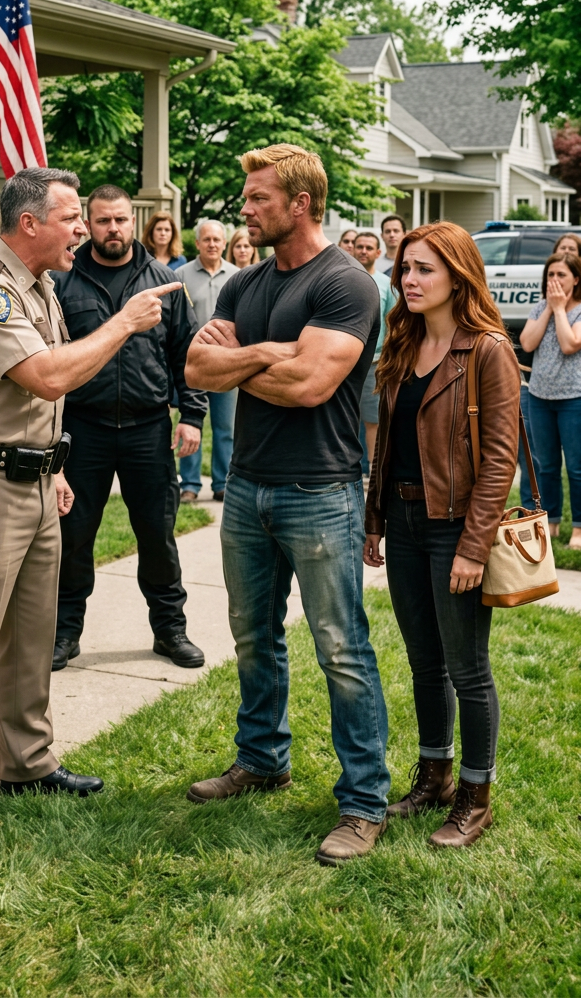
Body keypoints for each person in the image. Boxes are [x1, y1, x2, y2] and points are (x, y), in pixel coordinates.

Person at [0, 167, 183, 852]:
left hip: (35, 482)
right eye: (71, 218)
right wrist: (125, 322)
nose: (84, 230)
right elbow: (48, 376)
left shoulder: (39, 285)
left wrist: (53, 467)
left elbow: (42, 397)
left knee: (32, 639)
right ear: (29, 223)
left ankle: (28, 763)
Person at [185, 144, 390, 867]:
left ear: (300, 203)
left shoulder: (346, 284)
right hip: (245, 486)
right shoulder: (244, 282)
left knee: (340, 648)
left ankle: (363, 802)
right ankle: (262, 759)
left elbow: (310, 386)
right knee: (252, 635)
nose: (245, 209)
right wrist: (274, 353)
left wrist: (243, 360)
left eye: (259, 198)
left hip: (320, 490)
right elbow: (197, 368)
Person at [365, 222, 519, 848]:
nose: (409, 279)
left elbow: (500, 460)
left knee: (467, 668)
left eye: (424, 268)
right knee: (424, 663)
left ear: (458, 276)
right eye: (405, 268)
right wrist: (375, 519)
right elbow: (388, 445)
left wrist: (473, 547)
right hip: (403, 522)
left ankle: (476, 799)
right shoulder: (403, 343)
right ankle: (435, 777)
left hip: (455, 525)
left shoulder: (487, 350)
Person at [52, 185, 207, 671]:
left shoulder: (164, 281)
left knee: (157, 535)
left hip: (148, 429)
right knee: (74, 536)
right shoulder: (62, 280)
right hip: (84, 429)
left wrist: (193, 416)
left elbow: (187, 353)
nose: (112, 228)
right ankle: (64, 632)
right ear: (88, 224)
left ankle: (170, 630)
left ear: (132, 222)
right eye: (103, 220)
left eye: (120, 219)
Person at [519, 251, 581, 549]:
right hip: (539, 397)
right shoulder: (540, 307)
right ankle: (551, 523)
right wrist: (549, 308)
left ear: (576, 279)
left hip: (573, 399)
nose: (554, 280)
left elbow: (570, 344)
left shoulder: (579, 311)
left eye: (561, 275)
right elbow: (527, 342)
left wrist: (559, 309)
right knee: (546, 466)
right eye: (550, 275)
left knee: (577, 468)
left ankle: (578, 529)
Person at [177, 222, 238, 503]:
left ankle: (222, 483)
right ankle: (189, 484)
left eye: (217, 239)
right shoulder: (181, 275)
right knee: (192, 423)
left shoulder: (238, 276)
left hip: (228, 365)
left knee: (226, 428)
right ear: (198, 243)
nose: (212, 244)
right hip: (195, 365)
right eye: (207, 239)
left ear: (224, 243)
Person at [353, 231, 396, 466]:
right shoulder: (341, 279)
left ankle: (373, 472)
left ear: (378, 253)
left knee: (373, 421)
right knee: (344, 419)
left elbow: (393, 326)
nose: (363, 251)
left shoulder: (386, 285)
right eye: (359, 246)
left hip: (373, 363)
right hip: (343, 363)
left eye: (369, 248)